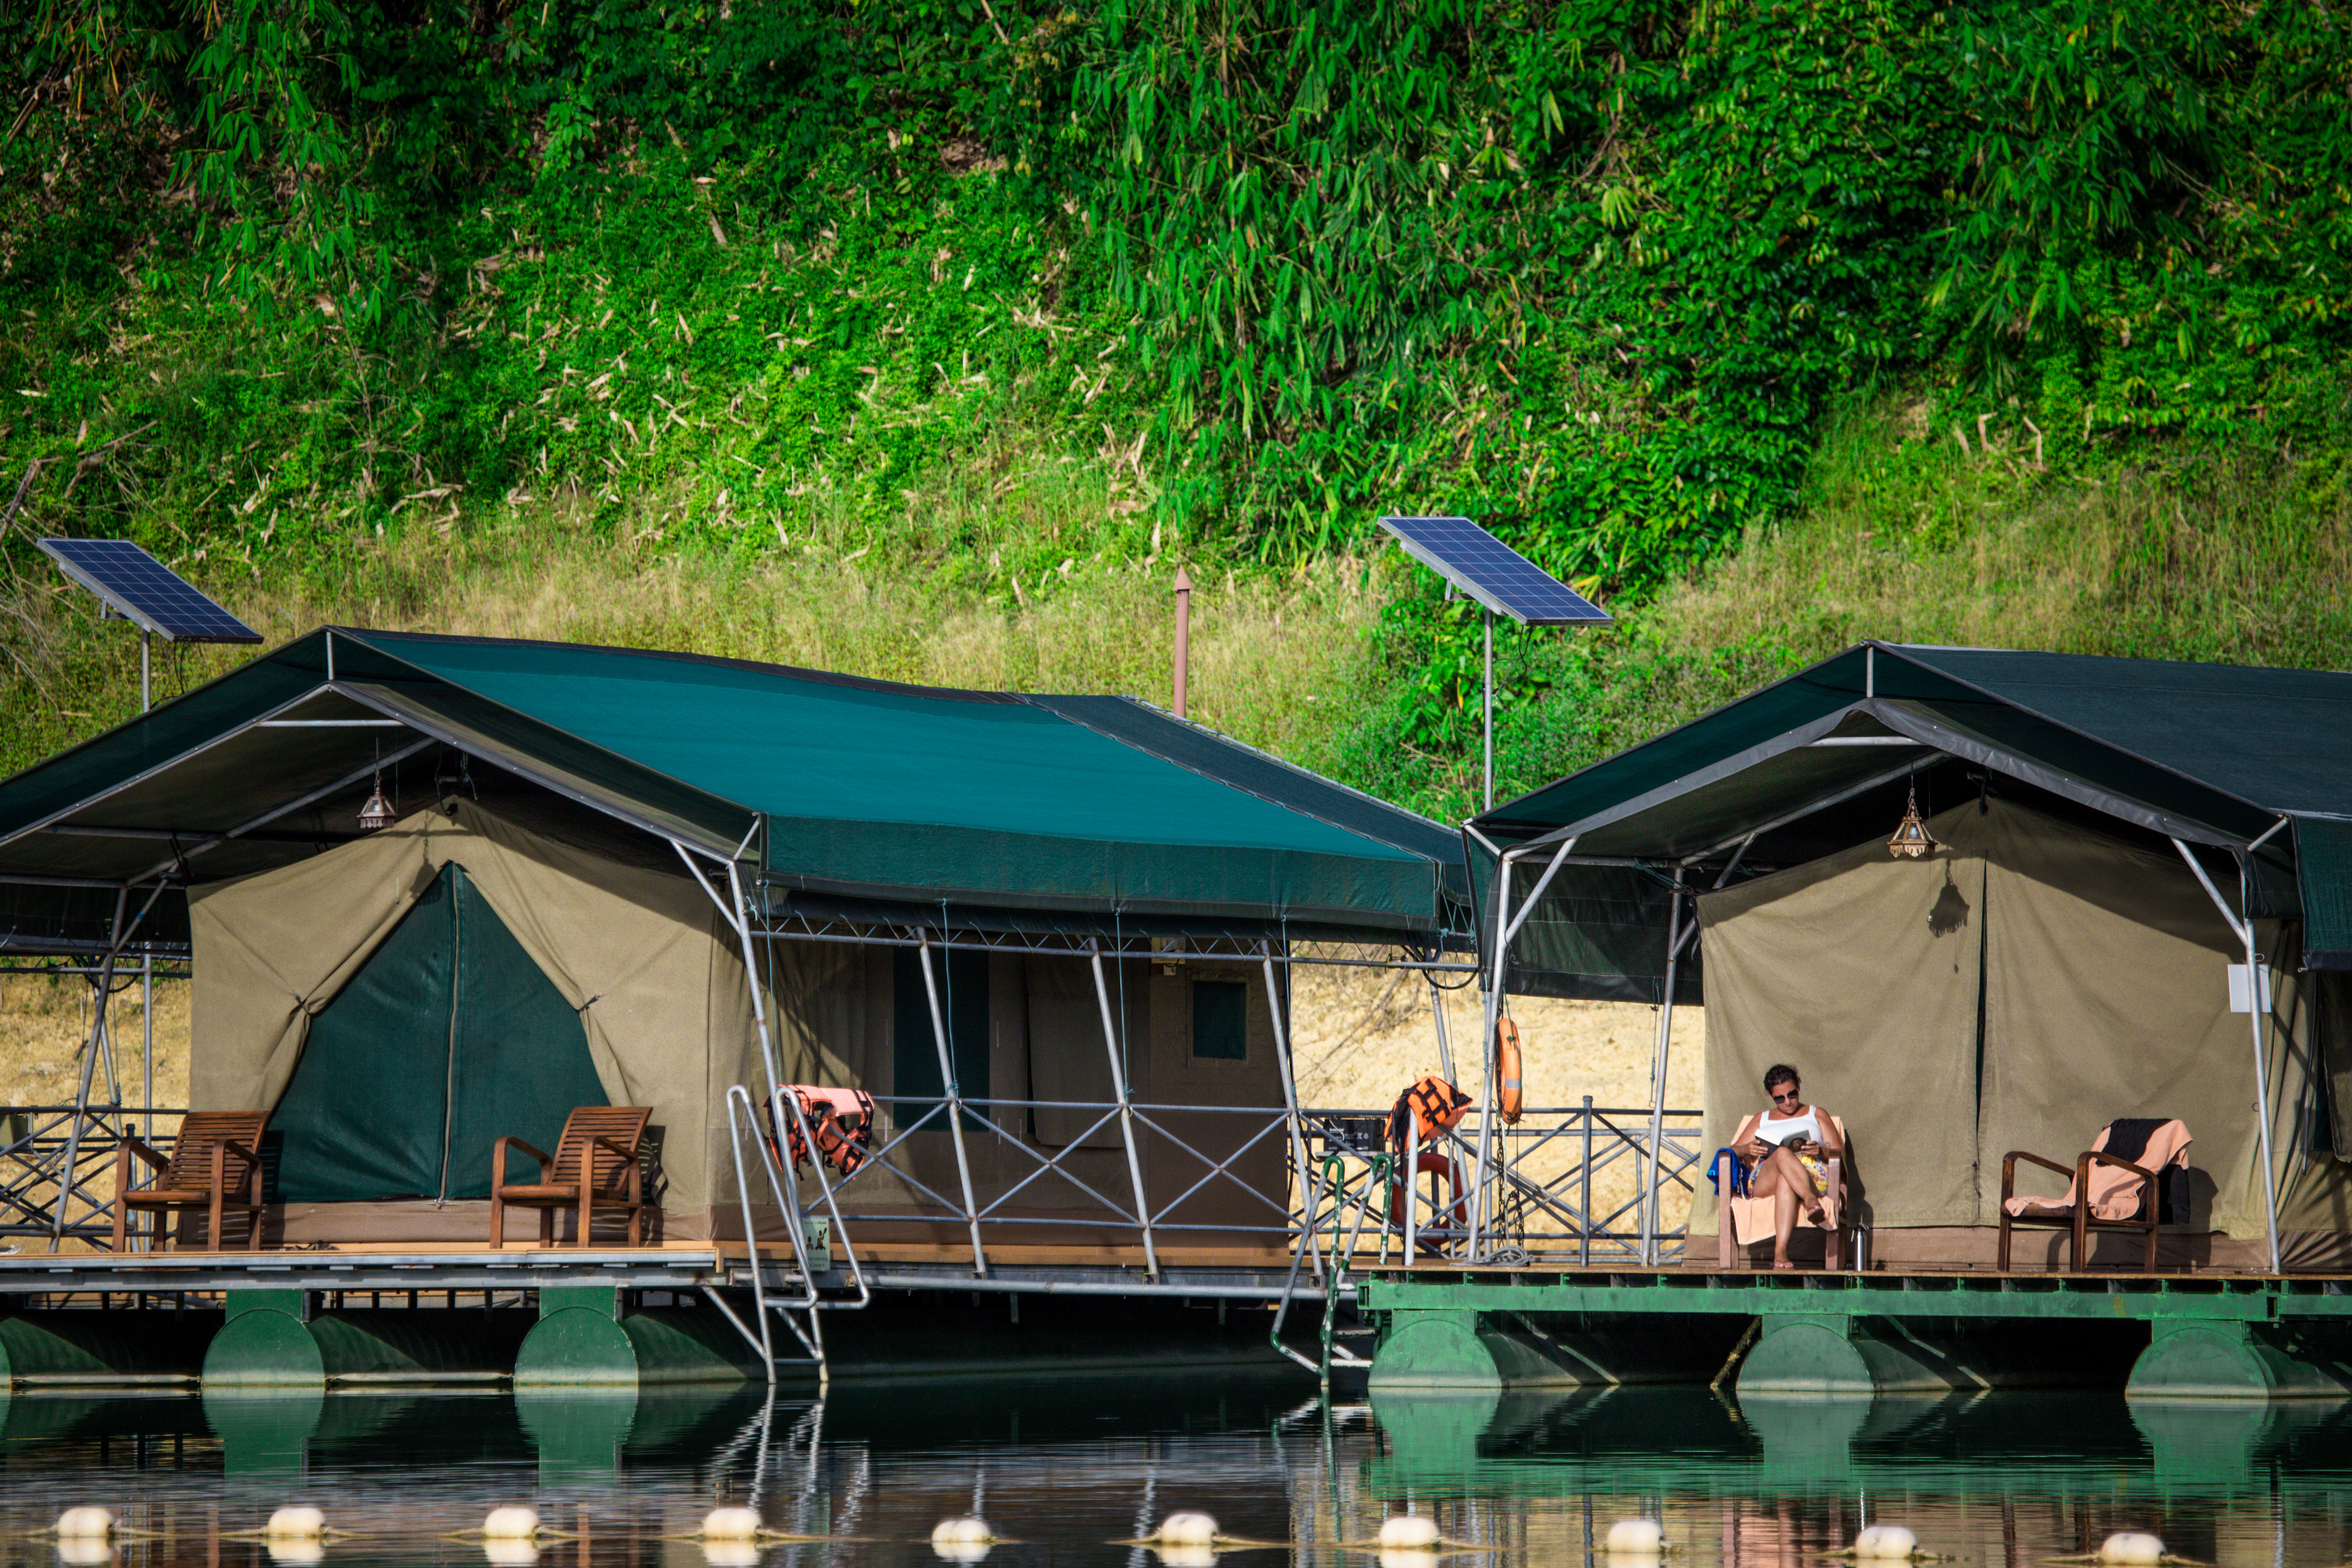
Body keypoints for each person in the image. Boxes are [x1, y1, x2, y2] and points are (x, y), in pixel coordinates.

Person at [1740, 1063, 1842, 1270]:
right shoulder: (1762, 1119)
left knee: (1785, 1179)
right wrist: (1747, 1148)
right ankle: (1810, 1201)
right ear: (1771, 1096)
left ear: (1799, 1088)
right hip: (1766, 1178)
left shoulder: (1816, 1114)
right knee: (1782, 1154)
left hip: (1811, 1176)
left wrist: (1820, 1151)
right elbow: (1733, 1150)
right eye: (1780, 1098)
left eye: (1792, 1094)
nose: (1788, 1102)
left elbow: (1839, 1152)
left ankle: (1780, 1252)